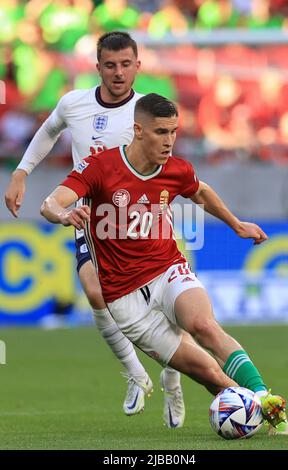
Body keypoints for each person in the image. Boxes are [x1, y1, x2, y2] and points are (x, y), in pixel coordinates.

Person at [40, 93, 288, 436]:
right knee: (213, 378)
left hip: (166, 270)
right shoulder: (101, 166)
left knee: (204, 325)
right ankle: (220, 397)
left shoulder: (175, 169)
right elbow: (51, 202)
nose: (169, 141)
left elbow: (200, 192)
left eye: (173, 131)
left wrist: (236, 224)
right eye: (161, 132)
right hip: (125, 299)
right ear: (138, 131)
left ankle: (267, 401)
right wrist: (64, 214)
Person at [4, 31, 186, 427]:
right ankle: (136, 374)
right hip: (92, 215)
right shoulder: (75, 103)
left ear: (138, 65)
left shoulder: (148, 109)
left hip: (144, 217)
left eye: (125, 64)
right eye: (110, 65)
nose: (118, 73)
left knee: (170, 307)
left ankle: (173, 376)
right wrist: (21, 172)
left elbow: (167, 159)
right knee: (93, 290)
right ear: (97, 66)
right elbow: (49, 130)